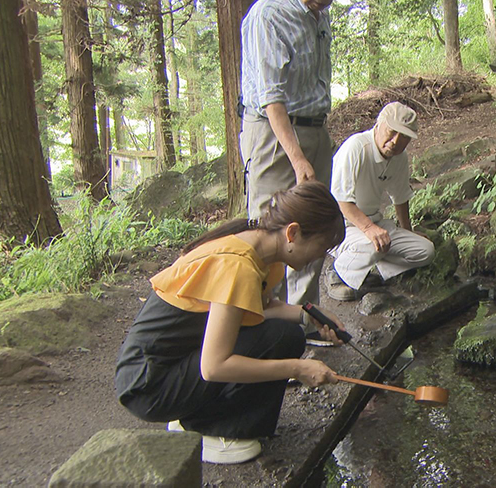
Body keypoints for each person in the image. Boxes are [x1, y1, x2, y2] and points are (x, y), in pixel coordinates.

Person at [115, 182, 347, 465]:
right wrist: (297, 368)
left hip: (171, 366)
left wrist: (310, 314)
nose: (319, 257)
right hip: (149, 385)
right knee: (283, 339)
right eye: (321, 247)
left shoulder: (262, 247)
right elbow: (214, 367)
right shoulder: (238, 266)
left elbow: (257, 309)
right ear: (293, 232)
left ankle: (196, 413)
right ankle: (213, 430)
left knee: (286, 335)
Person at [239, 0, 354, 307]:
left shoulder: (320, 16)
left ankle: (303, 320)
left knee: (314, 226)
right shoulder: (269, 16)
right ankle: (258, 320)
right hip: (275, 136)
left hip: (315, 129)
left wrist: (316, 145)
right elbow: (272, 99)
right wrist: (298, 158)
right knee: (270, 227)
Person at [327, 102, 436, 301]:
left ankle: (367, 270)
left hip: (375, 224)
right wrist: (369, 229)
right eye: (392, 132)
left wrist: (407, 230)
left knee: (425, 251)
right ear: (379, 124)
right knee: (375, 242)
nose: (395, 141)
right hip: (341, 226)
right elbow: (342, 201)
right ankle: (337, 274)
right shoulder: (357, 147)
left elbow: (401, 196)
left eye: (403, 137)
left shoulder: (399, 157)